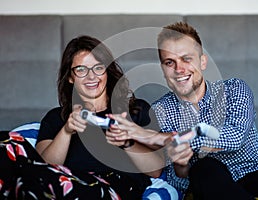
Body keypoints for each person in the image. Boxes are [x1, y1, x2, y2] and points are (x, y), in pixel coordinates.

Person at [105, 22, 258, 200]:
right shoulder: (160, 110)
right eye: (169, 62)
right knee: (203, 167)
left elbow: (235, 137)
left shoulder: (234, 89)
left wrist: (169, 138)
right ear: (163, 70)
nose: (179, 69)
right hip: (211, 185)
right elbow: (178, 181)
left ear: (203, 62)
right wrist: (181, 165)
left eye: (186, 59)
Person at [0, 35, 178, 200]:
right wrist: (67, 131)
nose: (91, 76)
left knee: (37, 183)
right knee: (6, 142)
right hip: (61, 180)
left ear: (107, 71)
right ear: (70, 77)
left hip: (112, 187)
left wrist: (127, 142)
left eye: (98, 68)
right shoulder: (57, 117)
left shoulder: (135, 110)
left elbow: (156, 171)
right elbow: (41, 166)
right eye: (81, 70)